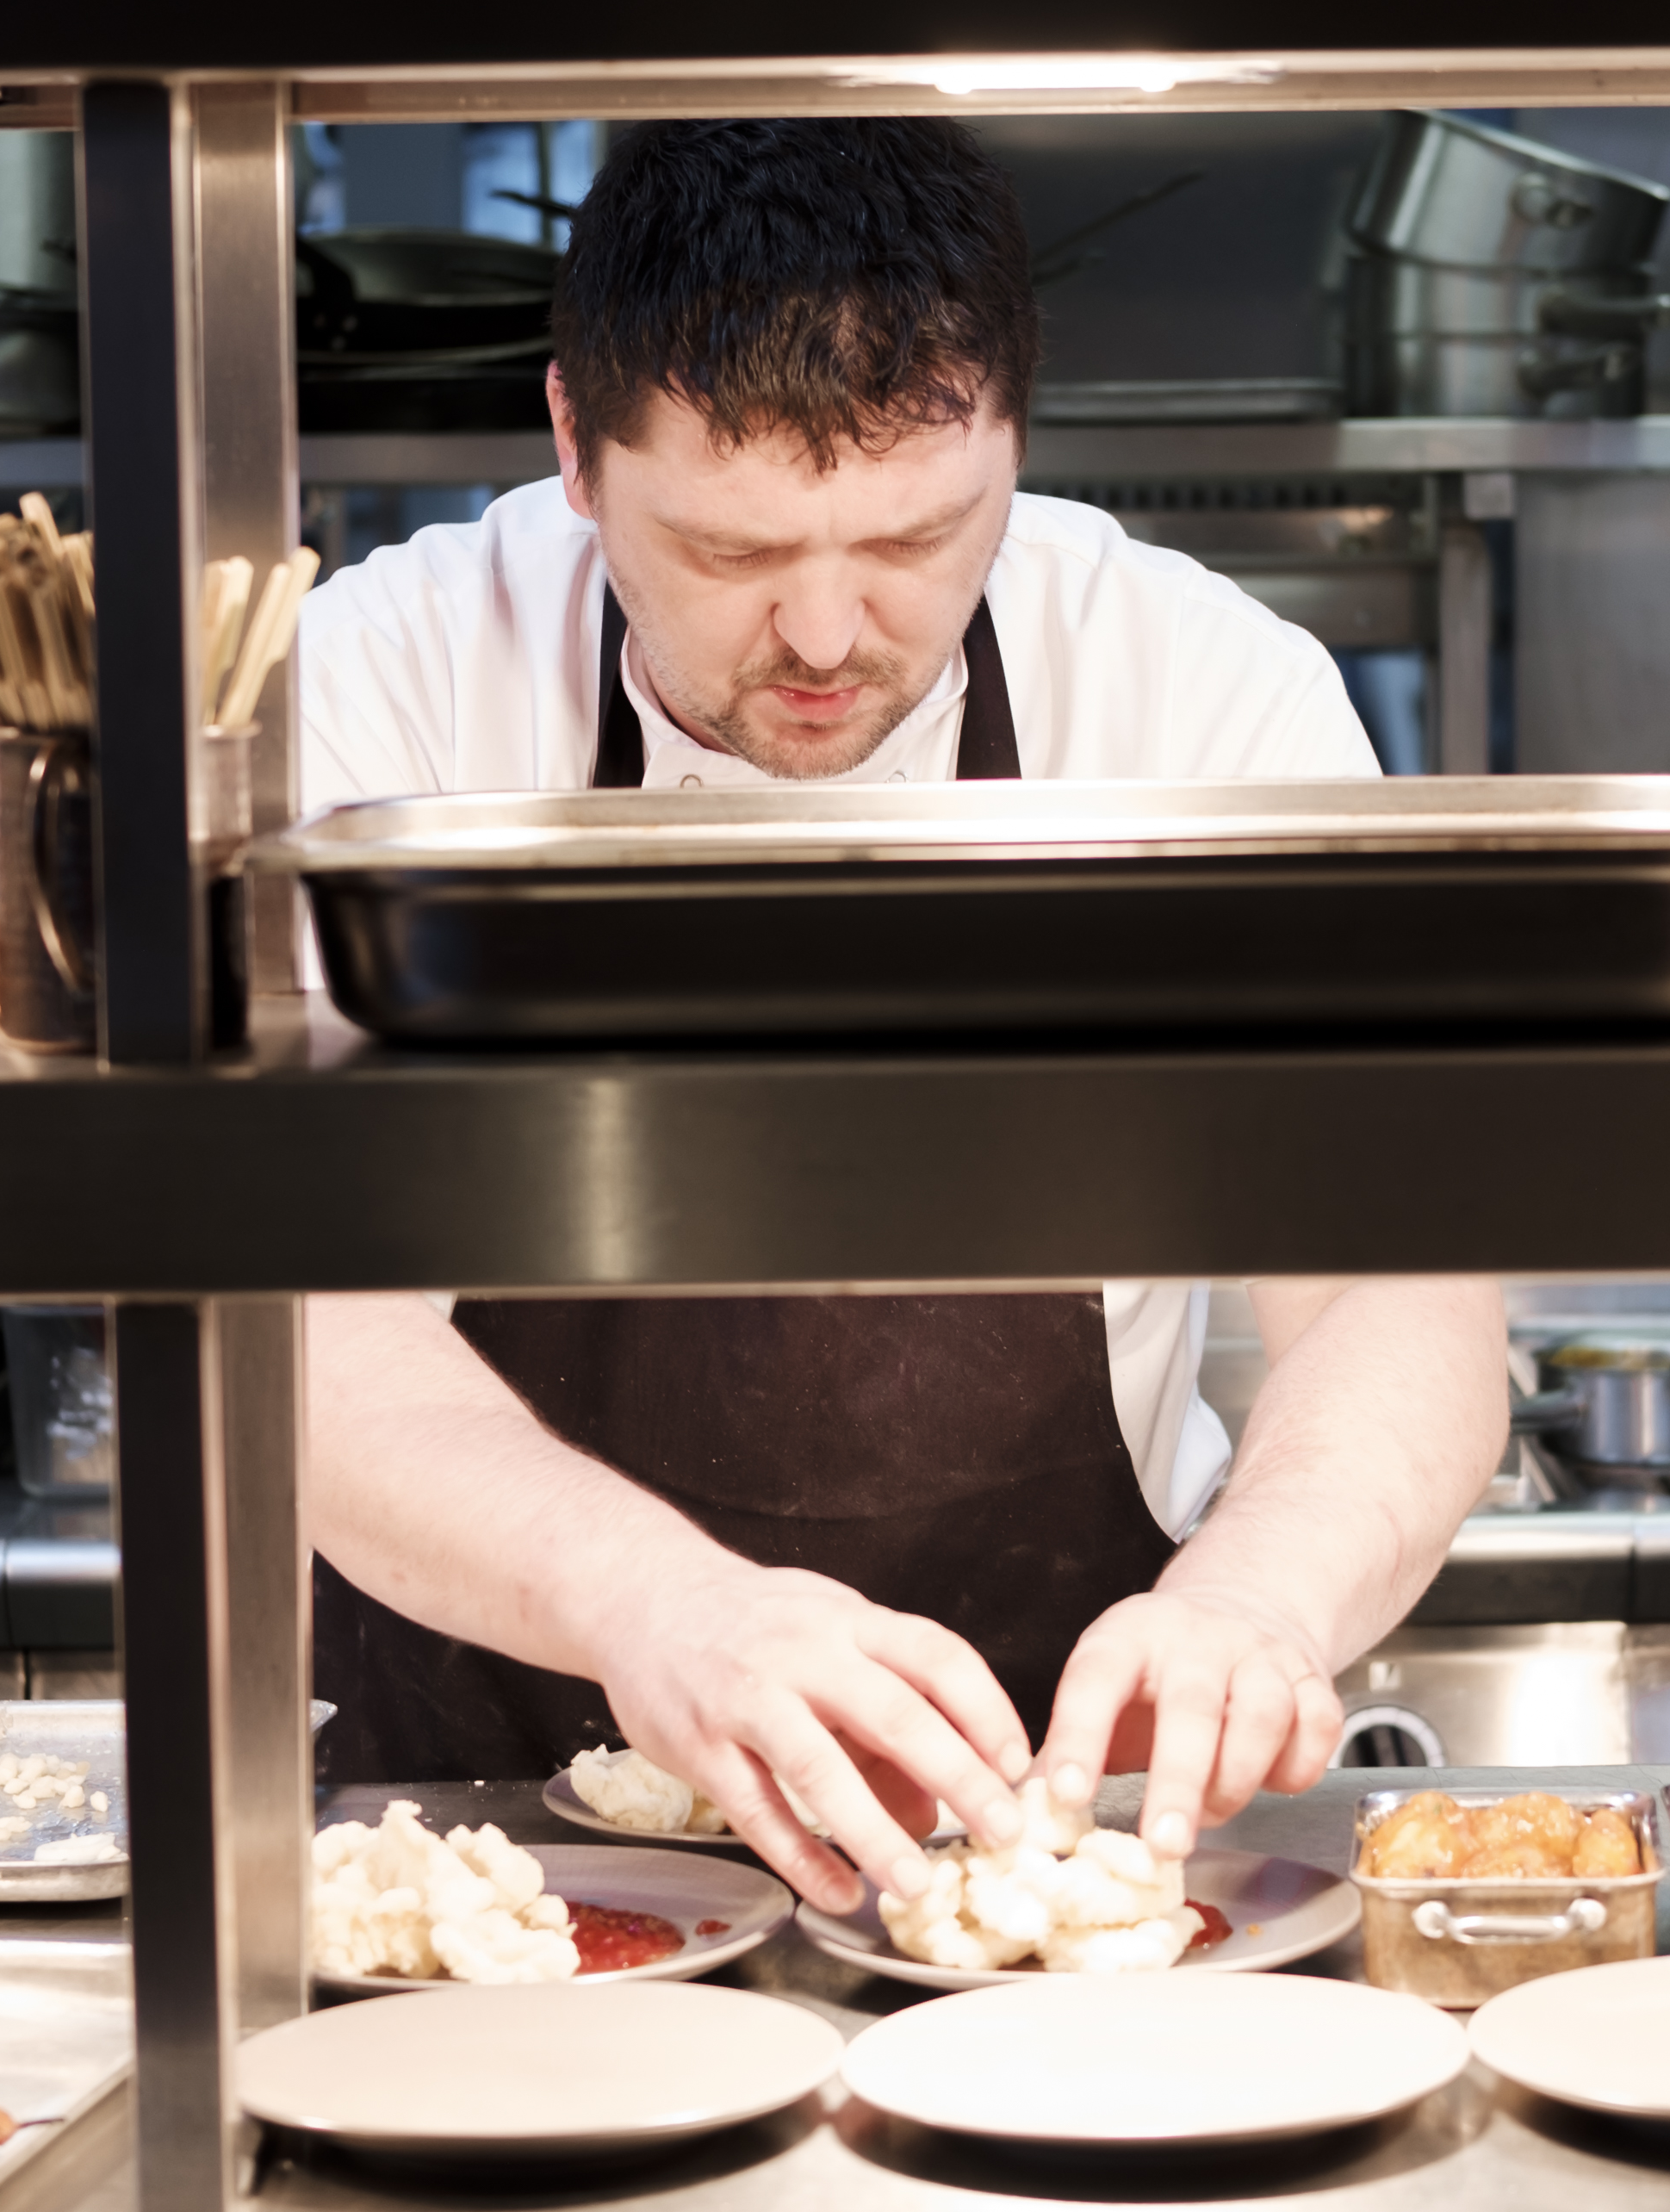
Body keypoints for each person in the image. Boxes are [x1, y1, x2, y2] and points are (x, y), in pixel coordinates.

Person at [293, 118, 1505, 1910]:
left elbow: (1399, 1287)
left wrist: (1263, 1596)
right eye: (727, 549)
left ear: (1016, 435)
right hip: (480, 1854)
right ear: (573, 442)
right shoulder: (379, 689)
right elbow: (280, 1318)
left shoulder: (1205, 693)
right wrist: (656, 1601)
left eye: (920, 535)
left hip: (1055, 1850)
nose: (824, 632)